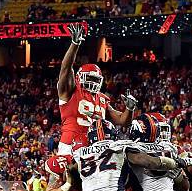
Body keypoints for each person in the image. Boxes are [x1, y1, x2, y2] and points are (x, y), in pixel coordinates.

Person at [56, 23, 136, 154]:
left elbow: (123, 121)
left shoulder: (103, 99)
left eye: (96, 79)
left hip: (95, 147)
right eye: (90, 78)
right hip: (70, 145)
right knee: (63, 174)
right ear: (79, 77)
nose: (93, 82)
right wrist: (75, 44)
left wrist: (130, 108)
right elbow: (66, 67)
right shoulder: (70, 90)